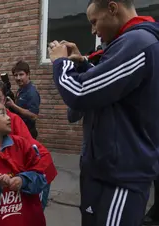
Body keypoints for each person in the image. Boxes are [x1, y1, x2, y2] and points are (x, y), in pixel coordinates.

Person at [48, 0, 159, 225]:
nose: (93, 30)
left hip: (120, 178)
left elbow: (80, 92)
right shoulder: (125, 43)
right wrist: (82, 65)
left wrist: (60, 63)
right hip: (103, 171)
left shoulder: (138, 42)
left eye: (94, 21)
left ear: (112, 8)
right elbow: (111, 94)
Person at [0, 80, 57, 209]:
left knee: (31, 208)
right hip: (9, 182)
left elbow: (29, 154)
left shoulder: (13, 126)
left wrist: (22, 180)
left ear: (5, 101)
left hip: (37, 169)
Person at [6, 61, 41, 139]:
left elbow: (33, 115)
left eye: (21, 74)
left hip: (28, 132)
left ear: (28, 74)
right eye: (15, 75)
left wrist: (13, 105)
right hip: (19, 130)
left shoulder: (32, 92)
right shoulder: (21, 90)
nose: (18, 78)